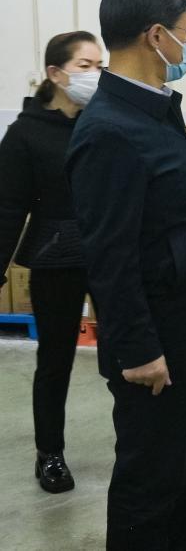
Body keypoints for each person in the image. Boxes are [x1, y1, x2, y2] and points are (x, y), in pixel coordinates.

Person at [66, 0, 186, 550]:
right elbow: (109, 256)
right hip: (154, 342)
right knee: (150, 474)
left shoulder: (156, 111)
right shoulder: (110, 129)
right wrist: (137, 350)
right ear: (156, 35)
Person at [0, 31, 102, 494]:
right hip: (55, 259)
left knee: (127, 353)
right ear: (56, 74)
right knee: (55, 359)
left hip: (109, 255)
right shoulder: (25, 133)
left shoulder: (105, 122)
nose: (95, 74)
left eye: (99, 65)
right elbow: (8, 209)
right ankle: (50, 453)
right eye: (85, 66)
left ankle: (137, 444)